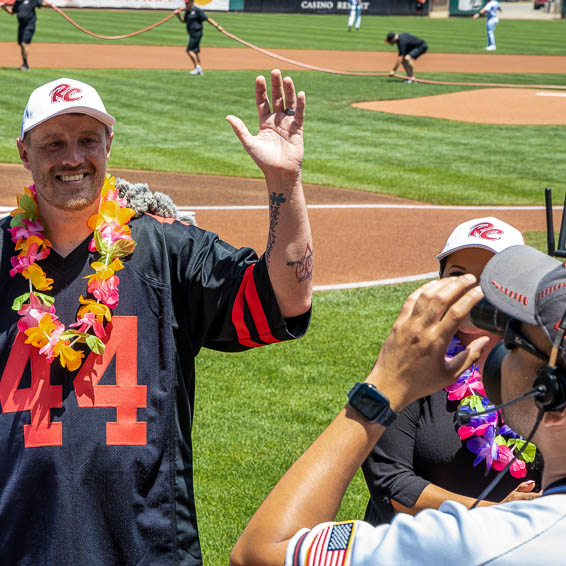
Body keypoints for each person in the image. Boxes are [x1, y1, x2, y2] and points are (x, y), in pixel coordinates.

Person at [0, 70, 312, 565]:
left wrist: (284, 182)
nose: (73, 157)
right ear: (24, 152)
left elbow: (284, 302)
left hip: (145, 548)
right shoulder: (0, 257)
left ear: (109, 144)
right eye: (53, 143)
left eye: (87, 140)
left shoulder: (169, 249)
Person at [230, 243, 566, 566]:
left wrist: (384, 387)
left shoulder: (474, 545)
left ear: (550, 392)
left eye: (514, 338)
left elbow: (261, 554)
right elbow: (393, 480)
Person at [362, 217, 542, 526]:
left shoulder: (544, 367)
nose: (471, 289)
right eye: (458, 275)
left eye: (490, 276)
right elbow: (391, 484)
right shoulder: (409, 362)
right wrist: (493, 512)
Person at [175, 0, 222, 76]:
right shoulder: (188, 11)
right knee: (195, 51)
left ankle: (197, 68)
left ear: (192, 2)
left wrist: (217, 26)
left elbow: (207, 19)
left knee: (189, 50)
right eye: (185, 3)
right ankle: (198, 69)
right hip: (191, 34)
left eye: (187, 3)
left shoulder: (197, 11)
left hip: (196, 33)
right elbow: (184, 21)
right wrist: (178, 15)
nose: (186, 4)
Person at [1, 0, 43, 71]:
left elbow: (40, 5)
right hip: (21, 26)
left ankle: (26, 65)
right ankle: (24, 64)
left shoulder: (31, 1)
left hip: (29, 25)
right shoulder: (17, 3)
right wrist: (4, 7)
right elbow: (12, 12)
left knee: (24, 43)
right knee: (21, 44)